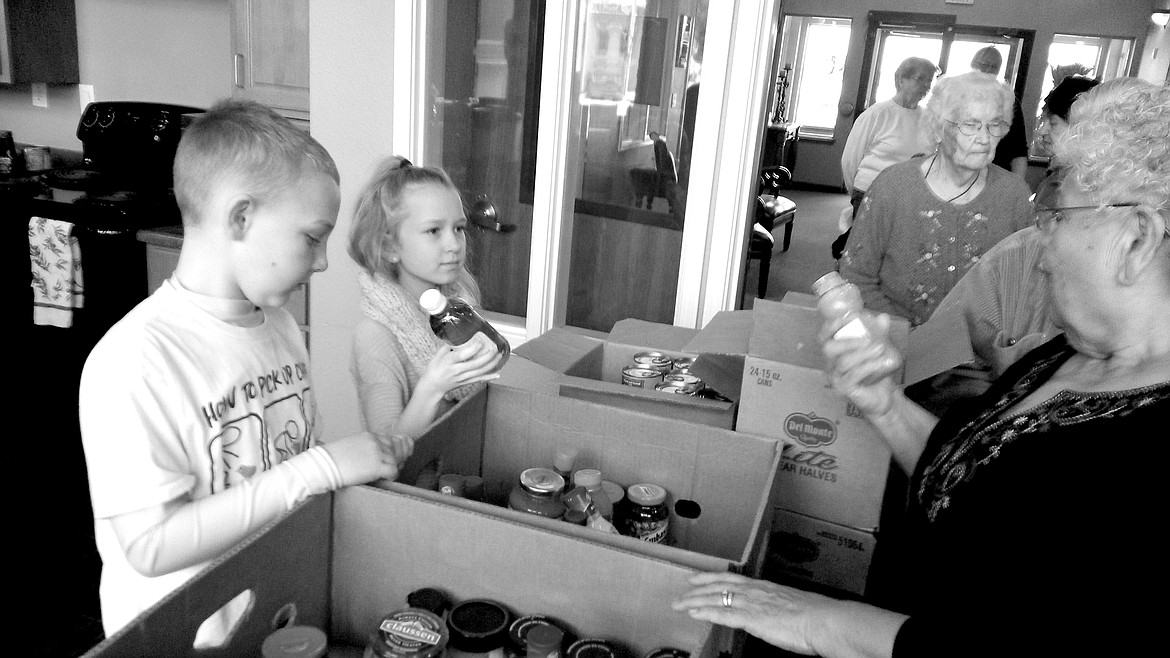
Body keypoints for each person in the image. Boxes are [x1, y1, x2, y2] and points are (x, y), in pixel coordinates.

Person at [672, 77, 1170, 657]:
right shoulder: (1067, 356)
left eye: (1057, 215)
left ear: (1137, 239)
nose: (1040, 241)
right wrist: (886, 402)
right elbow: (972, 471)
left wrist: (820, 622)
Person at [78, 99, 404, 644]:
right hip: (189, 641)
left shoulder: (278, 327)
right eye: (311, 237)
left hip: (275, 614)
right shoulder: (135, 360)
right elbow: (150, 545)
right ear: (241, 217)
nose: (323, 262)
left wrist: (341, 466)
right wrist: (321, 468)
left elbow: (291, 455)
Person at [839, 71, 1033, 327]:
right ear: (939, 128)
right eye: (970, 124)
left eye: (995, 125)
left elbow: (1028, 284)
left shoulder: (1014, 194)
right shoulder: (893, 186)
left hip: (982, 356)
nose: (985, 138)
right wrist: (907, 334)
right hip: (897, 343)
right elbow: (856, 276)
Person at [348, 156, 504, 443]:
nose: (454, 244)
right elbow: (386, 449)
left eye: (458, 228)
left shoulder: (460, 312)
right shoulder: (375, 337)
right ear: (390, 246)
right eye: (434, 231)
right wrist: (433, 388)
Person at [833, 57, 938, 259]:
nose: (926, 86)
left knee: (898, 252)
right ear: (901, 80)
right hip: (872, 193)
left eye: (930, 81)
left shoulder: (928, 119)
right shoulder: (876, 114)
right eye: (921, 79)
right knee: (865, 251)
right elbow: (850, 160)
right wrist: (856, 192)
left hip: (911, 196)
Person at [969, 46, 1028, 178]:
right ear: (972, 64)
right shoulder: (957, 96)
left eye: (994, 66)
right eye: (983, 64)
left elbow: (1019, 151)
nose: (988, 69)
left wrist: (1017, 186)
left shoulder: (1008, 101)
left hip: (996, 176)